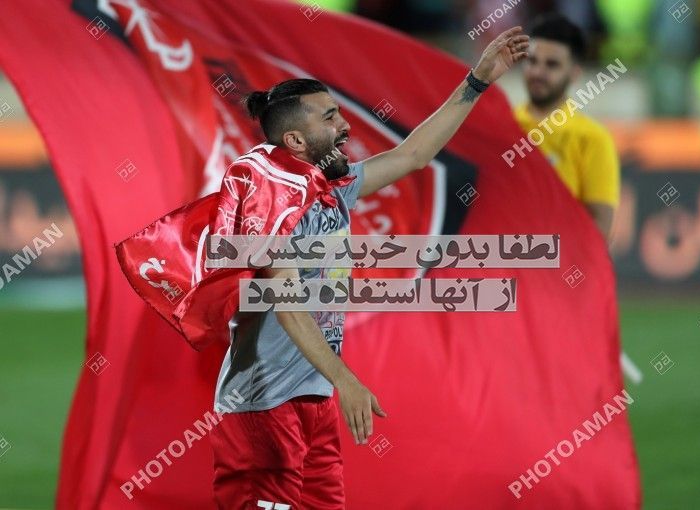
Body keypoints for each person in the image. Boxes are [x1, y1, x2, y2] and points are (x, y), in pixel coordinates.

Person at [208, 27, 530, 509]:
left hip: (313, 397)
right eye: (330, 117)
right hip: (263, 407)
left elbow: (414, 155)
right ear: (296, 139)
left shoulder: (334, 189)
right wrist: (347, 380)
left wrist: (477, 82)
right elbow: (289, 305)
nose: (345, 126)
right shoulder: (271, 203)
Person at [514, 13, 620, 241]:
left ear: (574, 73)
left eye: (551, 65)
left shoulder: (591, 137)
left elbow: (601, 227)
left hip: (562, 261)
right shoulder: (504, 126)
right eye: (532, 61)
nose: (538, 73)